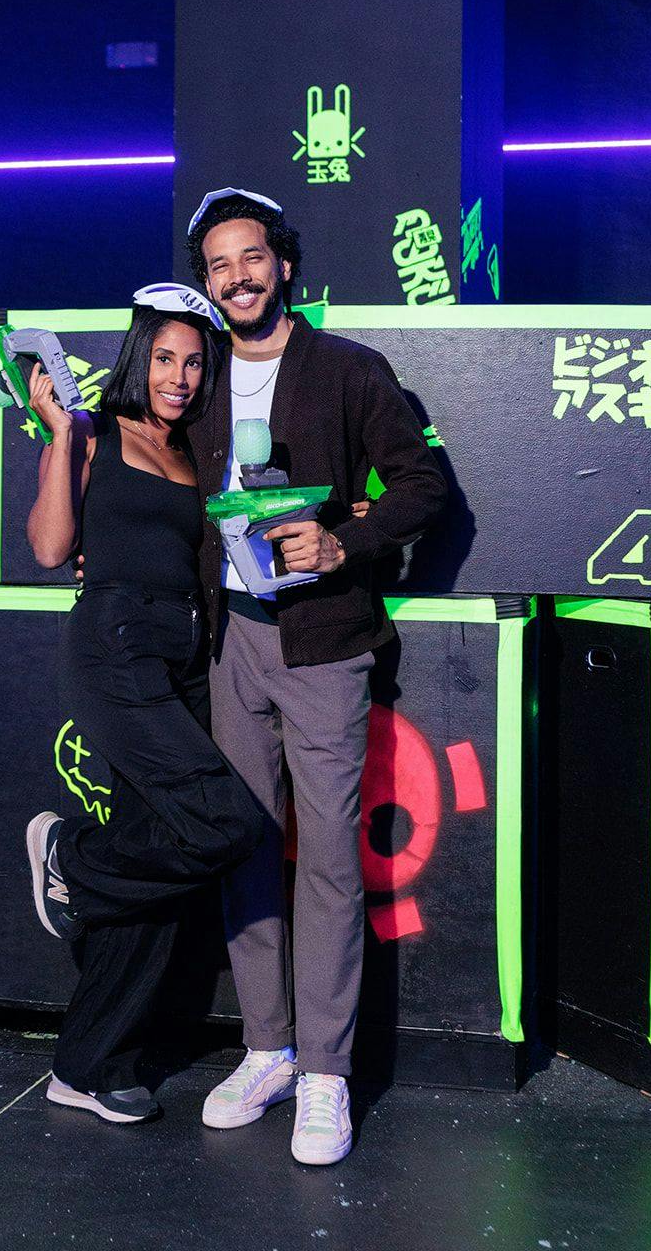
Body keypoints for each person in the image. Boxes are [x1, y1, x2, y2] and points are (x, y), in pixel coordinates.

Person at [184, 189, 448, 1165]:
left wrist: (343, 543)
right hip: (230, 640)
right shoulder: (197, 375)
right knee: (245, 851)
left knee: (330, 858)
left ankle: (326, 1072)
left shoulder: (345, 368)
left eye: (251, 257)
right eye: (218, 265)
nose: (237, 278)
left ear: (283, 264)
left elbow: (421, 484)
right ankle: (267, 1049)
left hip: (324, 643)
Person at [24, 283, 264, 1125]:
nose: (179, 377)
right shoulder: (93, 432)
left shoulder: (199, 450)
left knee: (158, 864)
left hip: (187, 652)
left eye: (194, 363)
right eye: (165, 358)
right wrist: (61, 434)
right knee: (226, 824)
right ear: (139, 357)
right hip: (116, 644)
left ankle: (86, 1066)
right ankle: (71, 857)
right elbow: (50, 548)